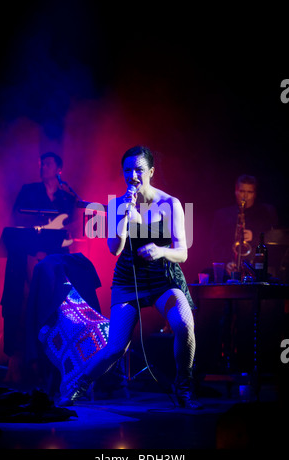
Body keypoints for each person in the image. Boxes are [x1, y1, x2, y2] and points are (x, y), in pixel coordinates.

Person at [59, 145, 200, 409]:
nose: (132, 175)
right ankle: (78, 386)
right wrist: (124, 216)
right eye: (127, 170)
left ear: (151, 172)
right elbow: (114, 249)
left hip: (163, 278)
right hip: (128, 279)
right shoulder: (116, 205)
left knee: (184, 325)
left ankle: (184, 387)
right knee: (116, 348)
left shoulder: (170, 204)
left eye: (139, 170)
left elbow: (182, 253)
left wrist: (160, 251)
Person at [1, 152, 78, 384]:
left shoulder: (67, 199)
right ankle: (20, 367)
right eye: (41, 164)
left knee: (51, 309)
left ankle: (50, 368)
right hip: (26, 256)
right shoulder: (28, 191)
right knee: (22, 307)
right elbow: (17, 222)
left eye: (48, 163)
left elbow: (70, 232)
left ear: (59, 169)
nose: (43, 167)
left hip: (53, 259)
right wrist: (35, 249)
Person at [211, 174, 278, 276]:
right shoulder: (222, 214)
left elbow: (277, 239)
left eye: (249, 192)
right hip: (230, 270)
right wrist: (225, 264)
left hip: (259, 269)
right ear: (236, 191)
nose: (245, 196)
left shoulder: (267, 212)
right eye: (242, 191)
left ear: (255, 194)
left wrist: (255, 236)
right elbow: (216, 246)